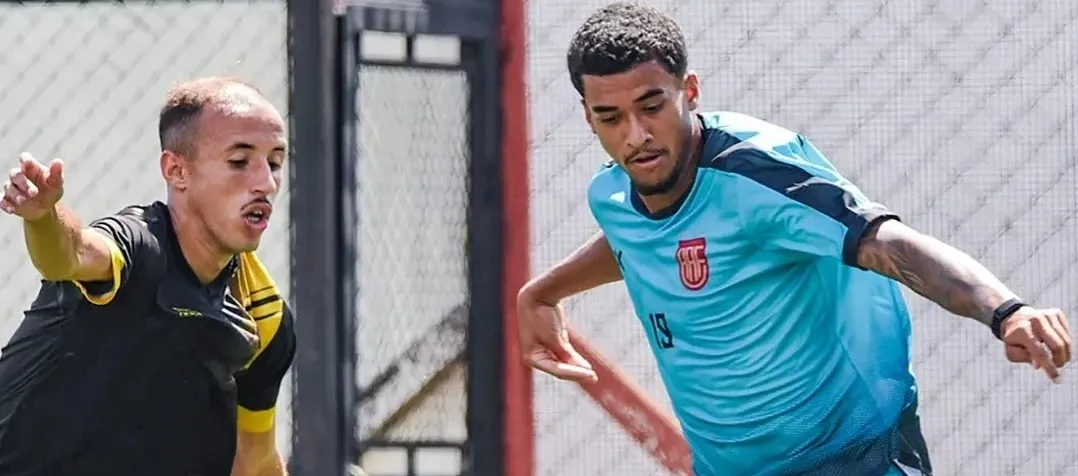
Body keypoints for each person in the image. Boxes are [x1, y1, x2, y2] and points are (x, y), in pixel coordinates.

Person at [516, 3, 1073, 476]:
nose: (635, 135)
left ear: (689, 91)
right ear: (588, 119)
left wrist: (1005, 310)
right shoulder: (614, 196)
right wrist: (541, 292)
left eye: (651, 107)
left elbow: (888, 243)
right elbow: (636, 238)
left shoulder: (759, 175)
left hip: (855, 457)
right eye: (610, 117)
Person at [0, 77, 296, 476]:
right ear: (176, 171)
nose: (265, 182)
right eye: (239, 161)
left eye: (275, 162)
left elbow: (255, 462)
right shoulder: (138, 248)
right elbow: (71, 254)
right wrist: (42, 216)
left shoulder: (265, 317)